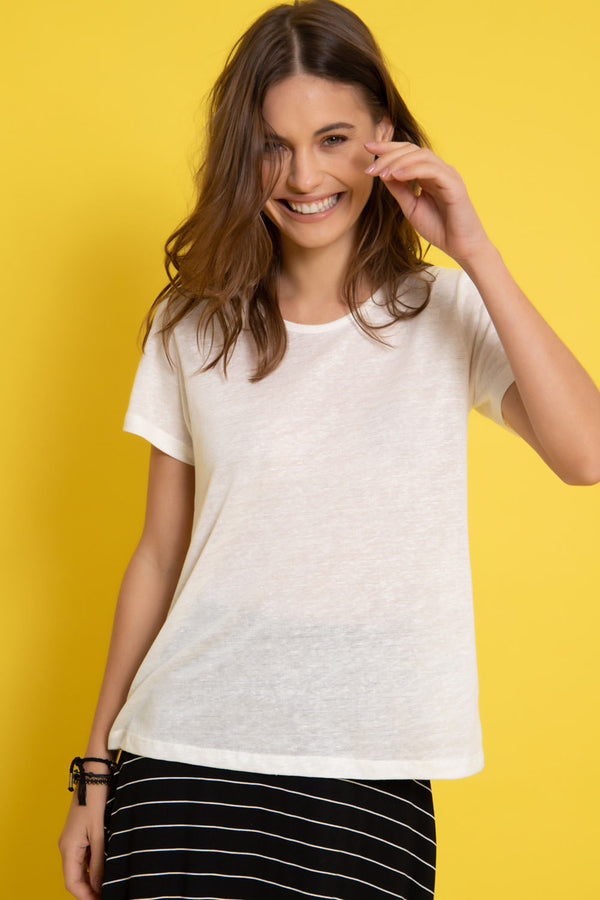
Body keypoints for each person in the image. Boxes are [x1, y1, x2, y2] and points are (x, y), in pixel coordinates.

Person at [58, 1, 600, 898]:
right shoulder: (191, 323)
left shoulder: (445, 311)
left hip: (371, 776)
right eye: (273, 146)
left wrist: (475, 249)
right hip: (183, 758)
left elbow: (587, 454)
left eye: (334, 138)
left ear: (384, 136)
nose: (304, 174)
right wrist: (94, 772)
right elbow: (158, 554)